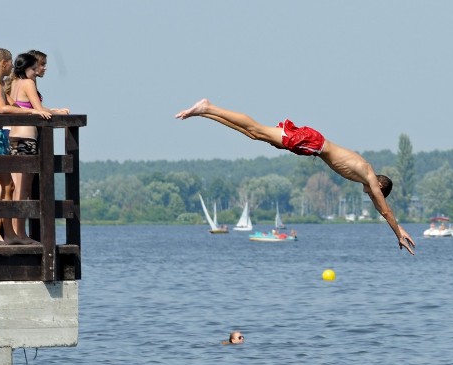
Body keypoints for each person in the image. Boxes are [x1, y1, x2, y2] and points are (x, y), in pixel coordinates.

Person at [175, 99, 415, 255]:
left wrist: (400, 228)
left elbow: (381, 209)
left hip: (313, 146)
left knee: (254, 136)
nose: (374, 196)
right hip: (314, 143)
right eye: (378, 194)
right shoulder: (371, 178)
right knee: (258, 129)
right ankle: (208, 107)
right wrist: (397, 233)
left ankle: (205, 114)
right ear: (381, 186)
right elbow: (385, 210)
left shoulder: (367, 177)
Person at [0, 48, 50, 245]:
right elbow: (2, 108)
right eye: (9, 63)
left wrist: (43, 110)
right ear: (4, 63)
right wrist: (33, 113)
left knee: (9, 186)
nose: (11, 67)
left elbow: (15, 105)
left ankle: (10, 234)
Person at [7, 52, 68, 244]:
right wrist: (57, 112)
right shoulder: (27, 83)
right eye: (33, 69)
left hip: (14, 137)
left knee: (17, 188)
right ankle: (21, 234)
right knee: (22, 191)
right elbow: (38, 108)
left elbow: (30, 107)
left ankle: (15, 232)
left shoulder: (14, 83)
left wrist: (54, 110)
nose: (35, 72)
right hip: (26, 138)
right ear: (26, 69)